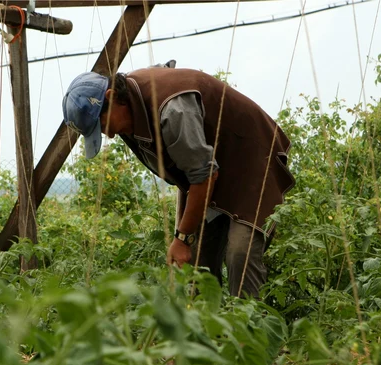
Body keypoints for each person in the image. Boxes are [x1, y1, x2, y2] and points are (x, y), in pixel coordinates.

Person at [62, 66, 295, 299]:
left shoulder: (172, 110)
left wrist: (182, 238)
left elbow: (203, 175)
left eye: (102, 126)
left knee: (239, 255)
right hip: (210, 167)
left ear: (111, 97)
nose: (109, 135)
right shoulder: (128, 110)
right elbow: (191, 171)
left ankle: (249, 330)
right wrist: (185, 239)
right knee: (196, 263)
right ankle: (208, 330)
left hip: (251, 160)